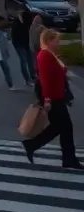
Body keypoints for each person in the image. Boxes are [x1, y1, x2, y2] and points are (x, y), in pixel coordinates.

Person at [22, 29, 81, 169]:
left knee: (60, 128)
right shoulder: (44, 56)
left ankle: (33, 146)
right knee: (64, 127)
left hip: (57, 97)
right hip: (53, 98)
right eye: (56, 40)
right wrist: (47, 100)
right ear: (48, 41)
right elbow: (45, 80)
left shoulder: (50, 55)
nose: (58, 43)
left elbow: (61, 70)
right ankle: (67, 158)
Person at [10, 9, 37, 85]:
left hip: (26, 43)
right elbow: (14, 37)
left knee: (30, 60)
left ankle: (33, 75)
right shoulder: (17, 25)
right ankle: (27, 79)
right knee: (23, 60)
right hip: (18, 44)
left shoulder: (27, 22)